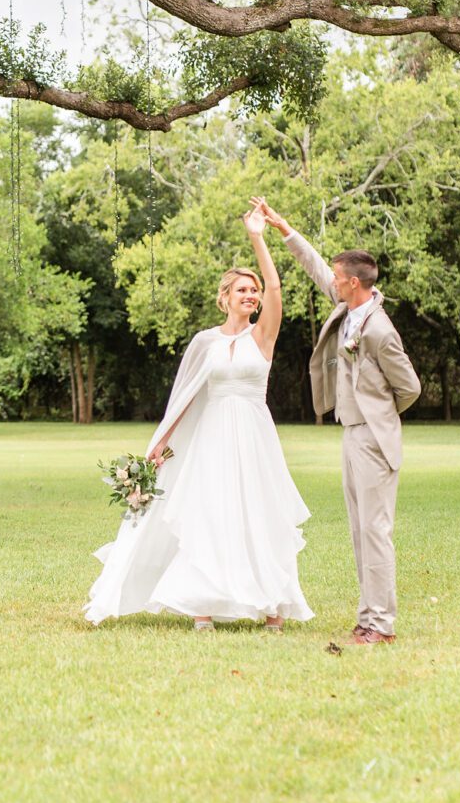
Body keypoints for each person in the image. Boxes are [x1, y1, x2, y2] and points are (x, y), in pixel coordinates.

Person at [84, 200, 312, 631]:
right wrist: (159, 445)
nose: (252, 294)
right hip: (212, 438)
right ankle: (201, 608)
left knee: (259, 514)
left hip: (253, 436)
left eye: (254, 291)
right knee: (209, 513)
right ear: (224, 298)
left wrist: (257, 237)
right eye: (241, 290)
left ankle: (272, 607)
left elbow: (276, 286)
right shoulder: (204, 342)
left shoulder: (262, 337)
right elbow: (184, 397)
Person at [255, 197, 420, 645]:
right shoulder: (347, 307)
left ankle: (381, 625)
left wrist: (378, 418)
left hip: (373, 438)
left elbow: (410, 388)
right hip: (351, 434)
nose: (331, 278)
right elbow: (312, 266)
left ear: (352, 282)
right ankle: (366, 618)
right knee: (358, 532)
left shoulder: (380, 330)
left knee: (375, 532)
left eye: (337, 275)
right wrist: (284, 228)